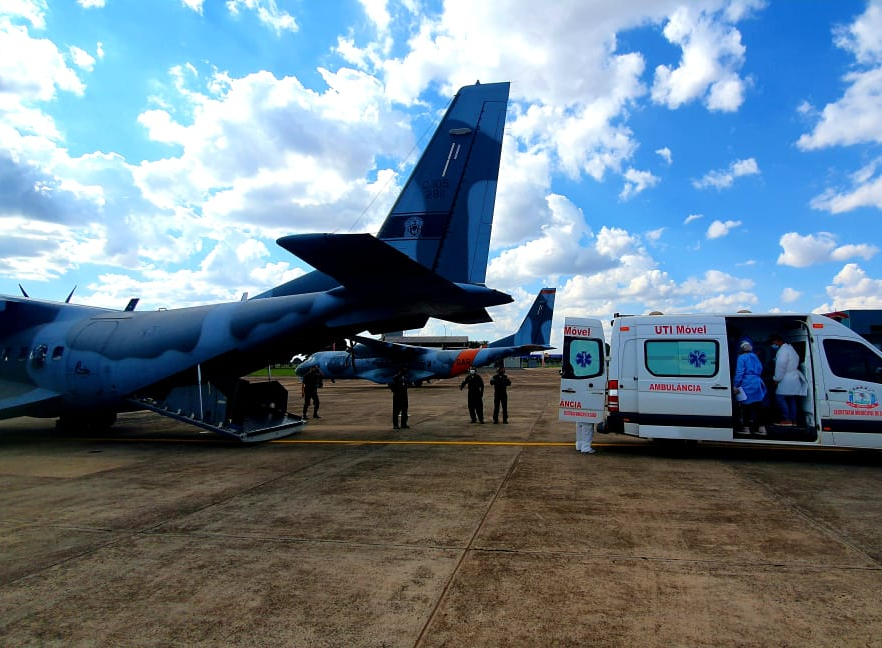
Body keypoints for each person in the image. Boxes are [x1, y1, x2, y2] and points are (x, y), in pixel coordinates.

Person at [769, 334, 807, 426]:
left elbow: (780, 366)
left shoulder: (783, 351)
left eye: (773, 343)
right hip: (794, 377)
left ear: (778, 341)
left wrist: (776, 379)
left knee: (779, 398)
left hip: (786, 378)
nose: (772, 345)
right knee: (792, 400)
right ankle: (793, 420)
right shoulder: (790, 348)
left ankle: (786, 419)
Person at [733, 340, 767, 435]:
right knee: (758, 406)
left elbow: (740, 372)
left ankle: (746, 428)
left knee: (745, 407)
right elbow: (760, 368)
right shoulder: (755, 356)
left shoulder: (741, 358)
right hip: (757, 382)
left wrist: (735, 385)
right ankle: (762, 428)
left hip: (746, 383)